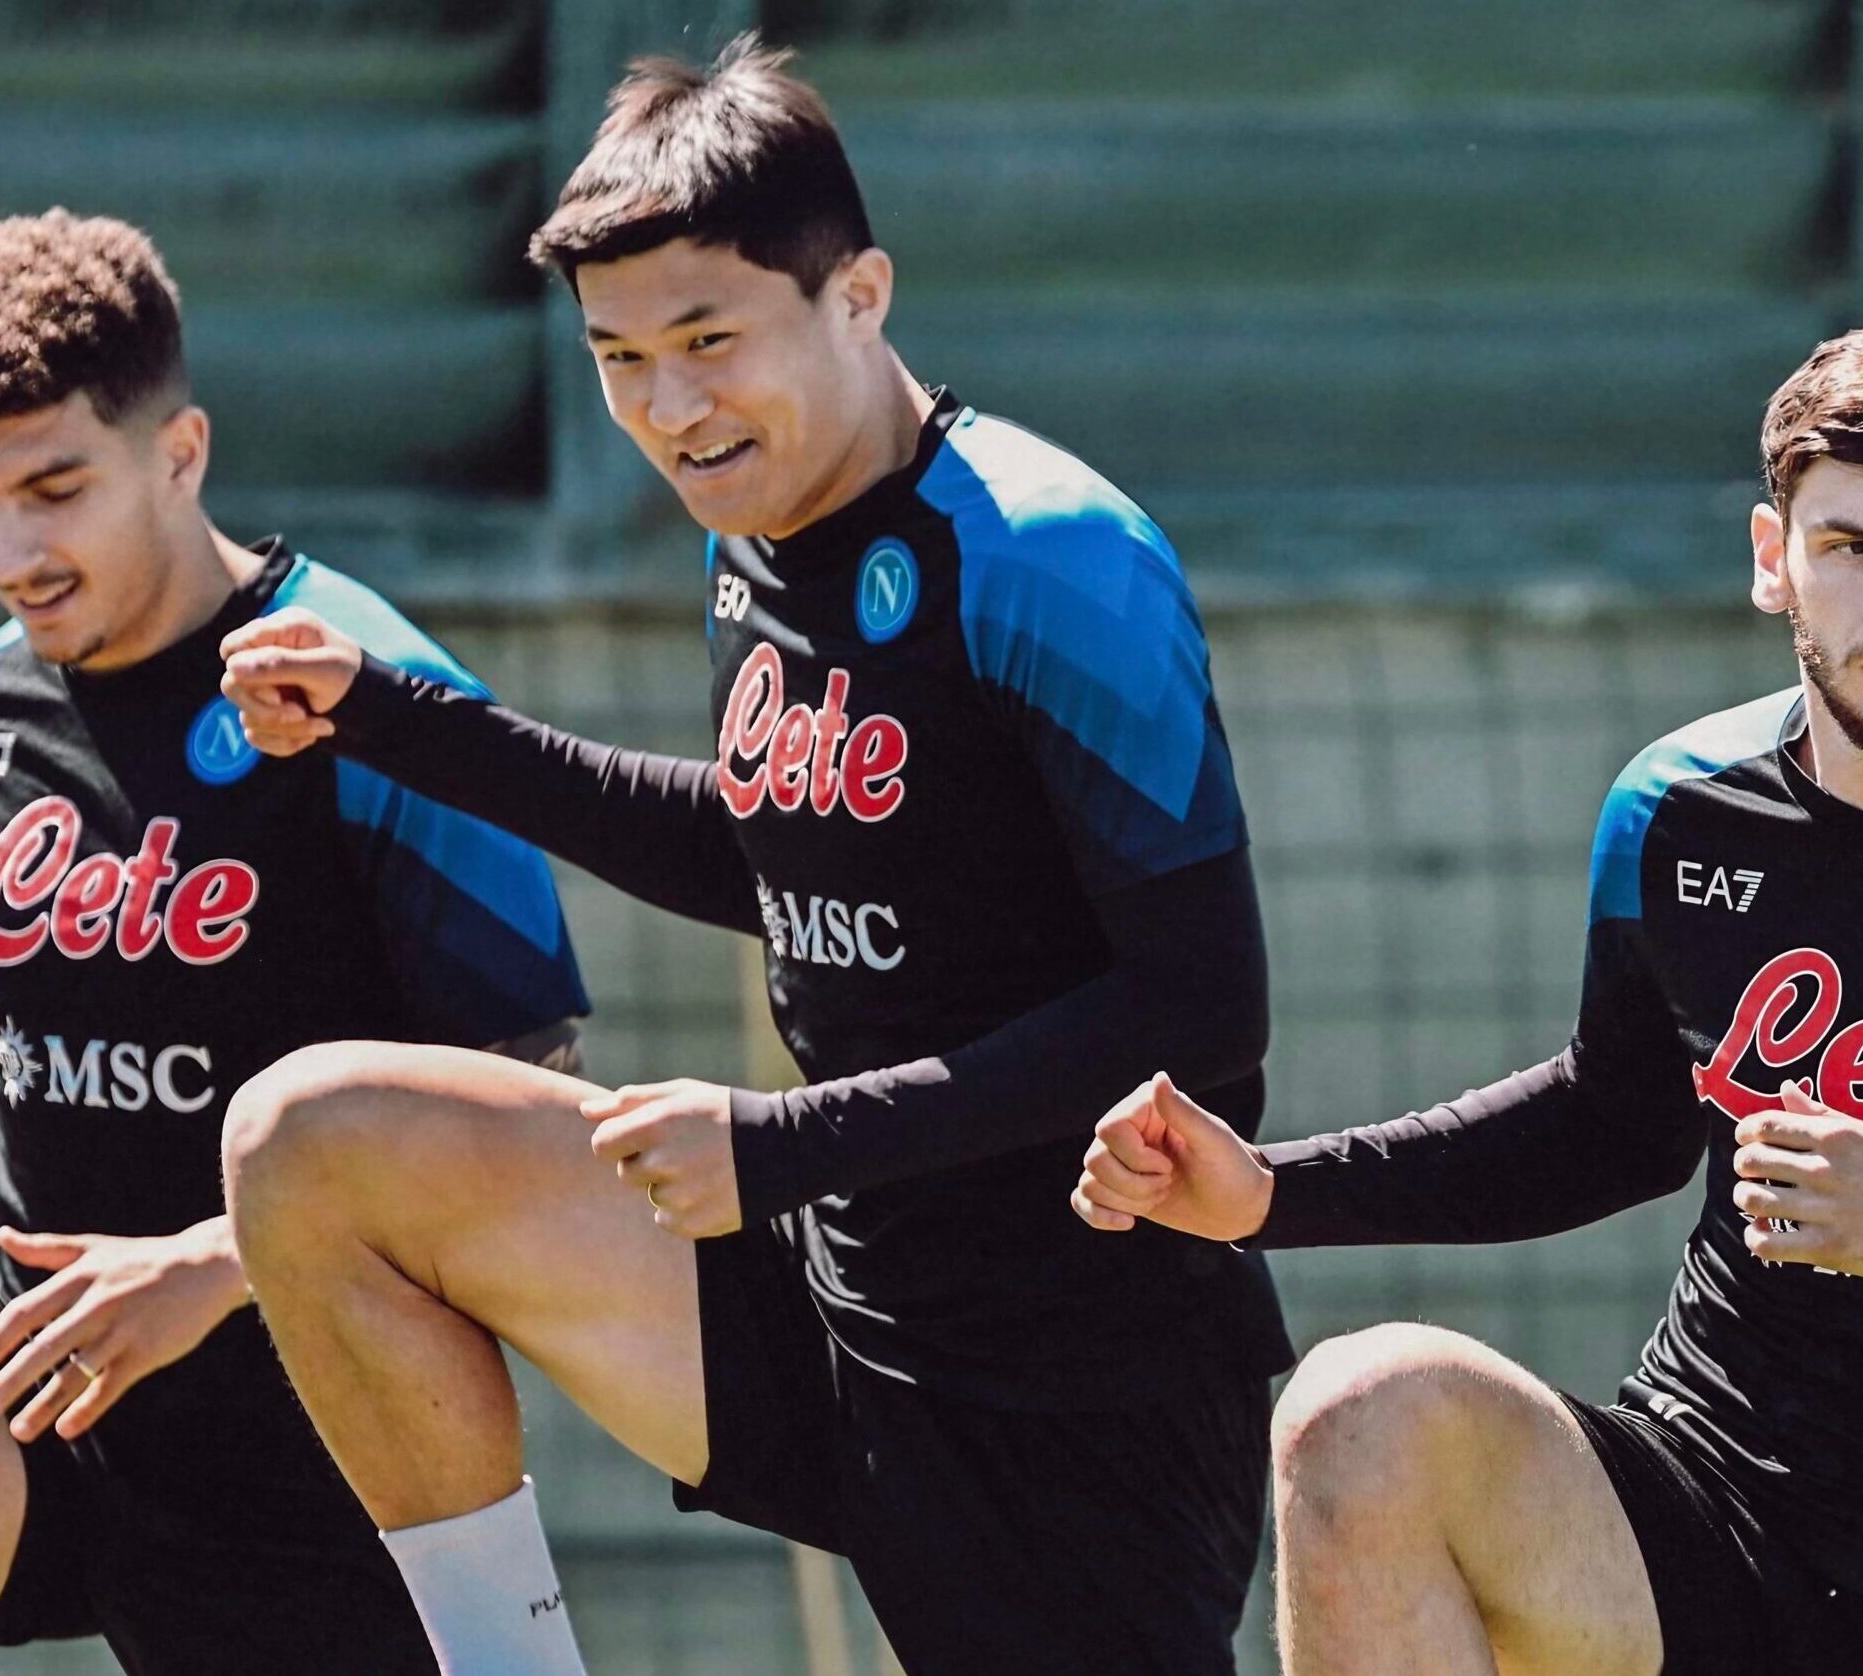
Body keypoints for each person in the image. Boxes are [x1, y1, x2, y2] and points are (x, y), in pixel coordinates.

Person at [214, 35, 1291, 1676]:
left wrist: (784, 1143)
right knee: (316, 1138)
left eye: (711, 340)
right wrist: (392, 717)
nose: (669, 407)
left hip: (1080, 1383)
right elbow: (771, 855)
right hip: (826, 1291)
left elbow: (1202, 1009)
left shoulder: (1048, 554)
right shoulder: (753, 536)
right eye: (618, 357)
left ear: (857, 294)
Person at [1071, 318, 1863, 1676]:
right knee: (1356, 1411)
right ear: (1770, 561)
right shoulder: (1676, 812)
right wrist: (1267, 1192)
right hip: (1709, 1517)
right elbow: (1610, 1123)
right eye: (1852, 545)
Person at [0, 209, 590, 1676]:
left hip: (337, 1453)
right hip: (54, 1406)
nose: (13, 550)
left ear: (180, 452)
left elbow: (536, 1104)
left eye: (54, 487)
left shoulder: (369, 691)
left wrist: (220, 1265)